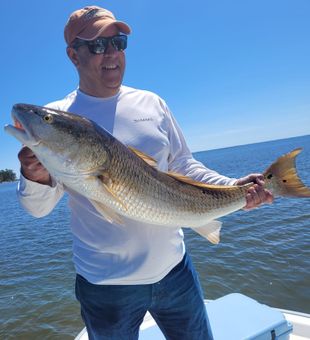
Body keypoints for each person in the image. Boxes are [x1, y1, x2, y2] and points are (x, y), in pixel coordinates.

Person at [17, 6, 273, 340]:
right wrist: (33, 175)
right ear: (73, 55)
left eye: (118, 43)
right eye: (97, 46)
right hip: (107, 287)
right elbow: (37, 209)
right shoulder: (62, 117)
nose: (111, 53)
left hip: (175, 272)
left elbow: (183, 166)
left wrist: (234, 188)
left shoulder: (152, 103)